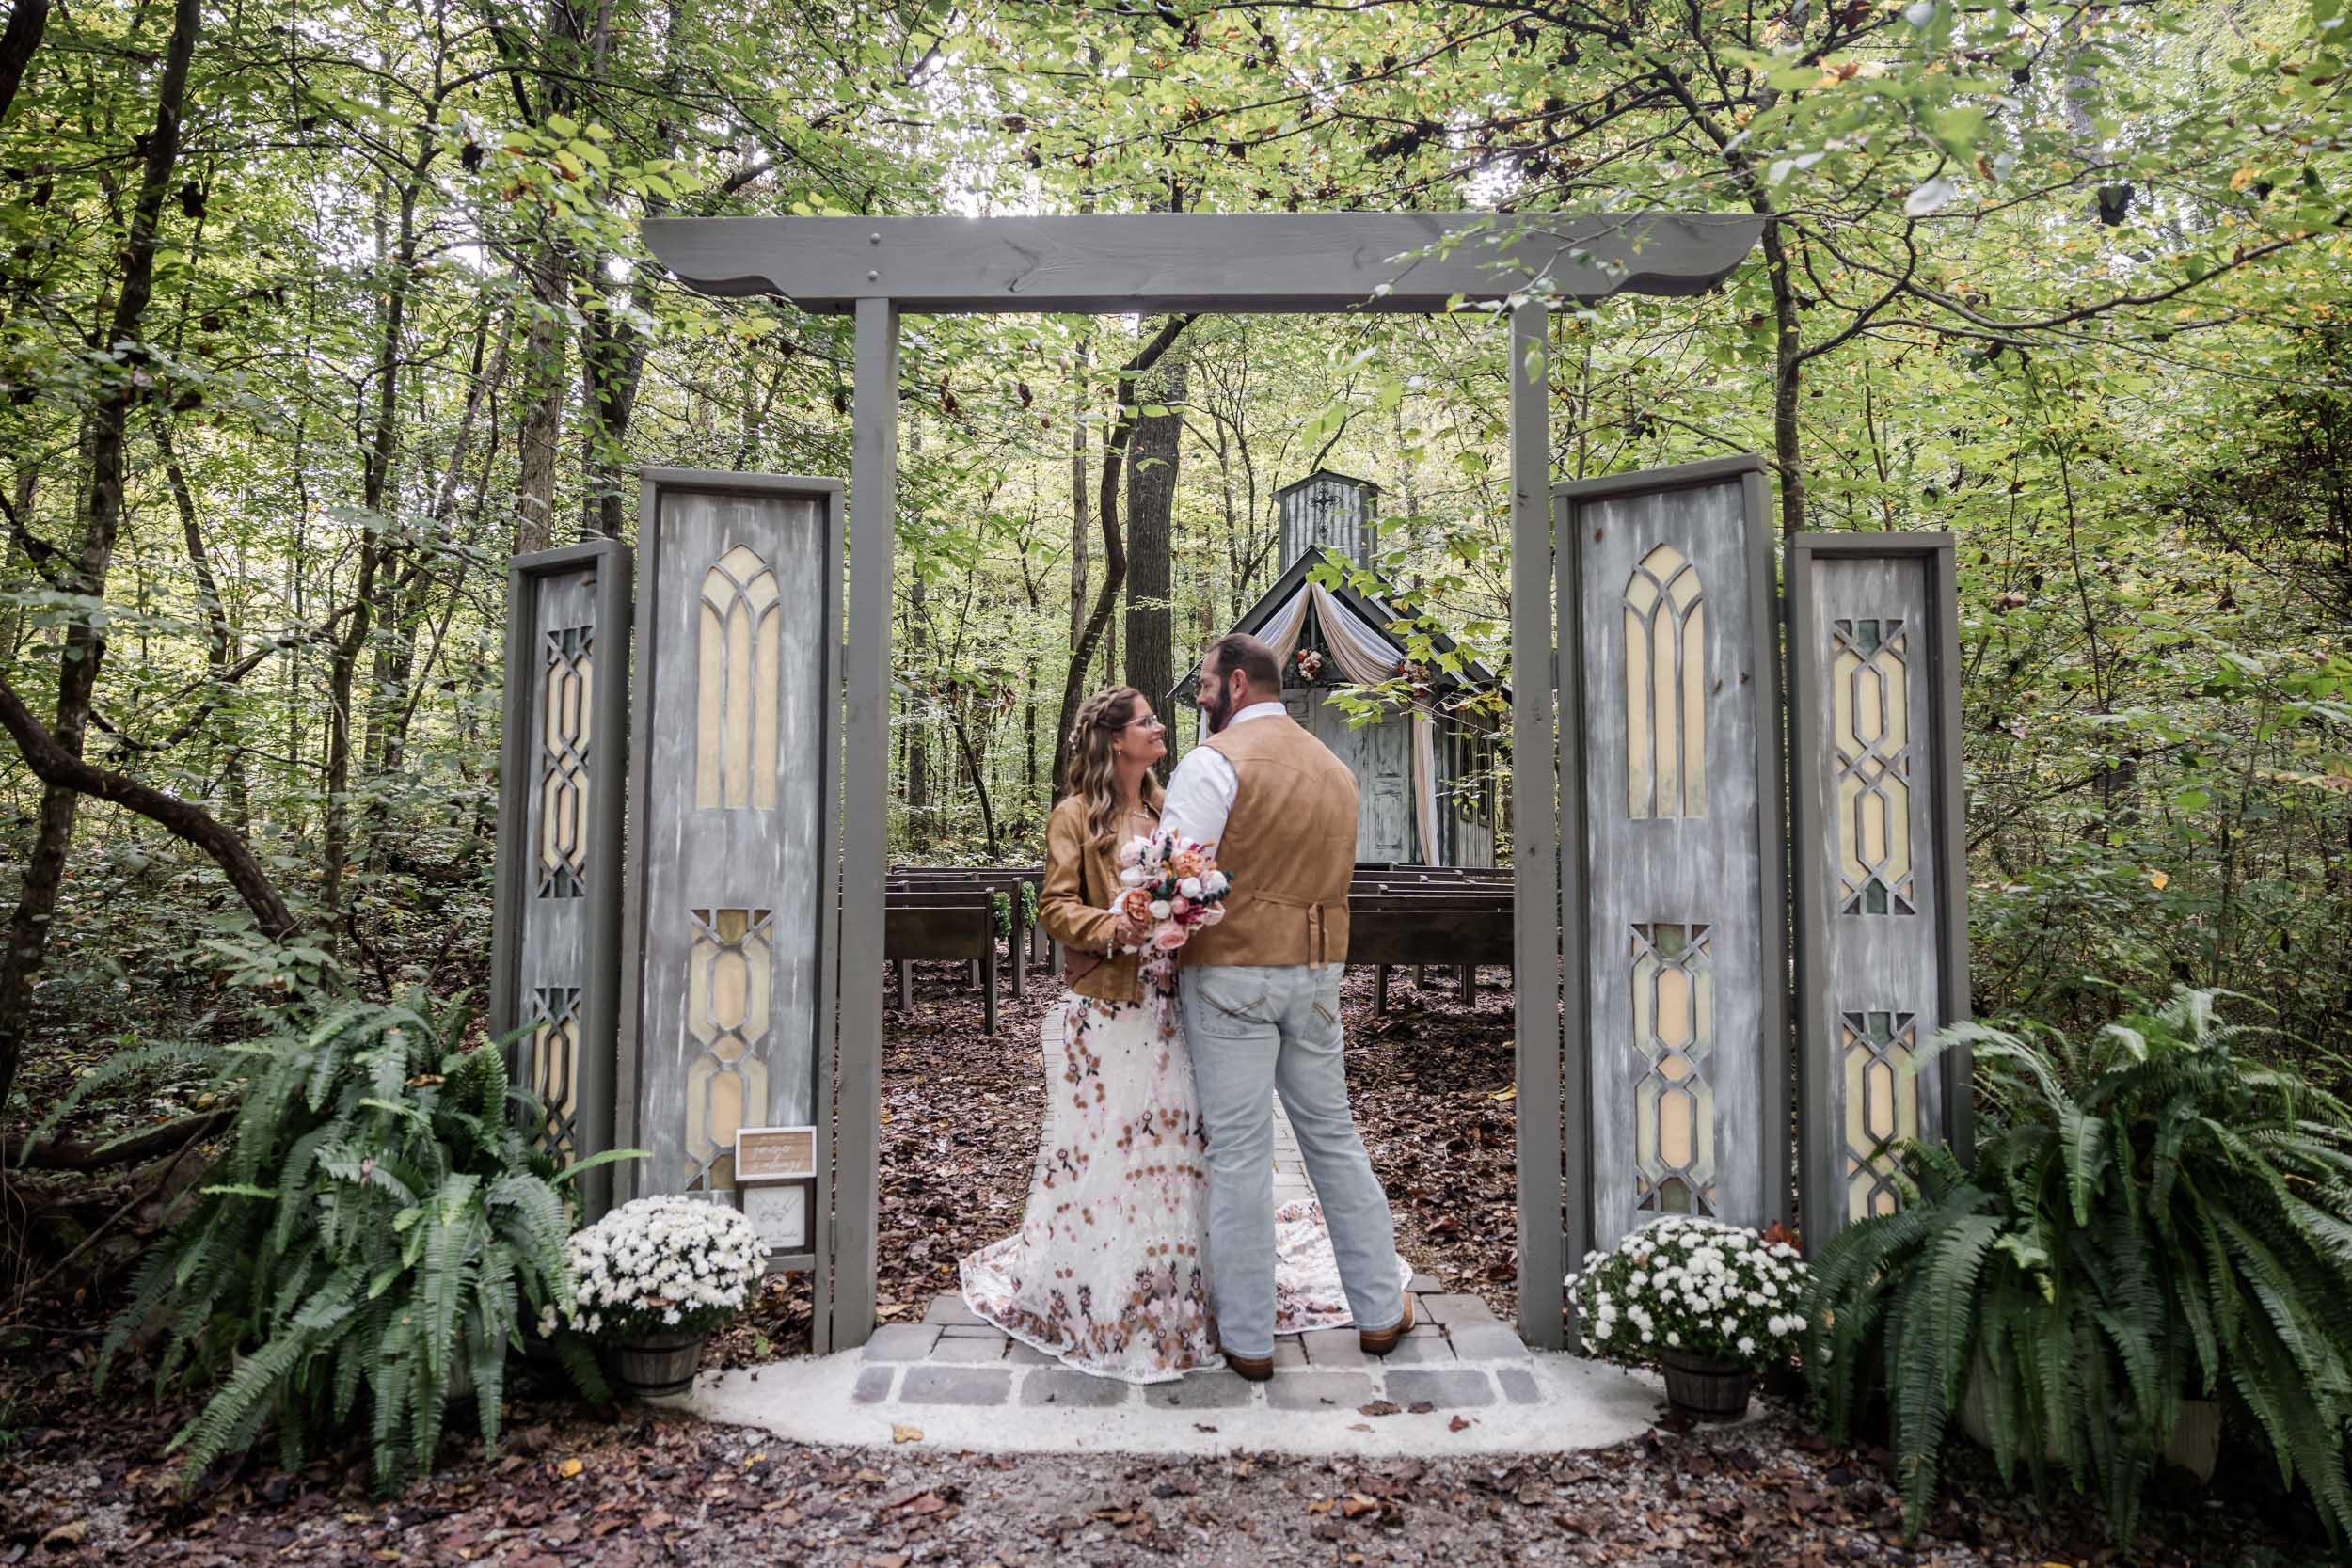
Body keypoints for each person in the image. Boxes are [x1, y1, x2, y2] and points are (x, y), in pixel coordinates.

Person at [959, 685, 1381, 1383]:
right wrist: (1115, 923)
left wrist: (1195, 908)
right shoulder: (1073, 817)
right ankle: (1110, 1283)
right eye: (1147, 721)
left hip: (1177, 1001)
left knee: (1183, 1145)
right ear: (1115, 740)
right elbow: (1055, 907)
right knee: (1111, 1147)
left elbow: (1205, 880)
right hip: (1110, 1004)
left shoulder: (1168, 810)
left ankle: (1187, 1279)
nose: (1160, 728)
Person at [1160, 633, 1410, 1381]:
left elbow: (1175, 877)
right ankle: (1378, 1309)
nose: (1202, 697)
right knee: (1333, 1136)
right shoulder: (1336, 771)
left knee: (1239, 1153)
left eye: (1207, 684)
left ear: (1237, 684)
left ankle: (1249, 1339)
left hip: (1232, 973)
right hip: (1317, 973)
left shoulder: (1212, 763)